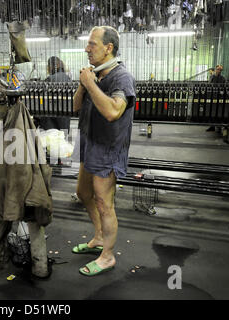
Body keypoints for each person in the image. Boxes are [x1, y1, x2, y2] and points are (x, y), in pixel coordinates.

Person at [72, 26, 136, 276]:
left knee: (103, 202)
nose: (87, 49)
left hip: (108, 147)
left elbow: (112, 112)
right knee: (83, 193)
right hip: (89, 140)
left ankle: (107, 256)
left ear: (109, 48)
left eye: (92, 44)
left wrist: (91, 83)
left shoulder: (121, 78)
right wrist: (83, 84)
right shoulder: (93, 76)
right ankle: (99, 237)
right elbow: (76, 106)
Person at [34, 56, 71, 132]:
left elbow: (41, 101)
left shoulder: (50, 79)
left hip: (50, 121)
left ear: (51, 66)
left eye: (47, 67)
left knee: (51, 142)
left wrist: (37, 118)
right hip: (64, 120)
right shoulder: (67, 78)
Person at [207, 65, 226, 131]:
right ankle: (212, 126)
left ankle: (219, 127)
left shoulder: (223, 78)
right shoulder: (212, 77)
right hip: (212, 97)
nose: (219, 71)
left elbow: (224, 88)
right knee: (211, 111)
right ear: (215, 69)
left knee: (219, 112)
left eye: (220, 70)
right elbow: (209, 85)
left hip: (219, 97)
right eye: (218, 69)